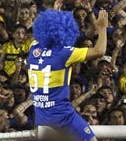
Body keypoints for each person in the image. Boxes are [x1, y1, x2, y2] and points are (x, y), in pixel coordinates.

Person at [28, 8, 109, 141]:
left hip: (42, 117)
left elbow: (49, 27)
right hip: (63, 116)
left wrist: (54, 13)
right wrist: (102, 27)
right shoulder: (65, 53)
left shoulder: (33, 47)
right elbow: (99, 51)